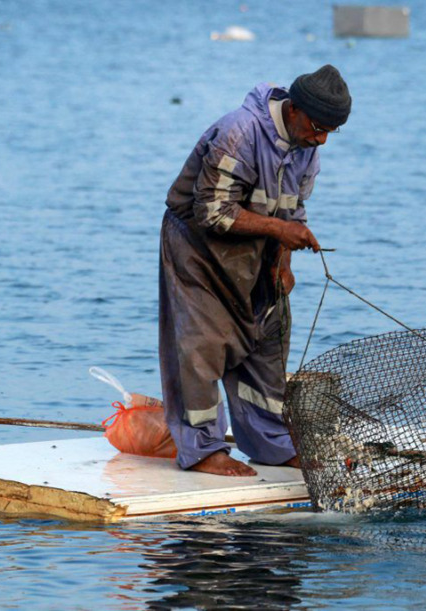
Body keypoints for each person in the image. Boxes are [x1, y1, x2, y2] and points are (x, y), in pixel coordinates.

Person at [159, 65, 352, 476]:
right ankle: (202, 449)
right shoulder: (239, 133)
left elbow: (293, 210)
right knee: (202, 343)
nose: (321, 139)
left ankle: (271, 442)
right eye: (318, 128)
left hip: (256, 248)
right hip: (197, 249)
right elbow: (211, 212)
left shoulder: (307, 147)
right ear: (294, 109)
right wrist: (281, 231)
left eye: (330, 132)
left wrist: (283, 261)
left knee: (269, 336)